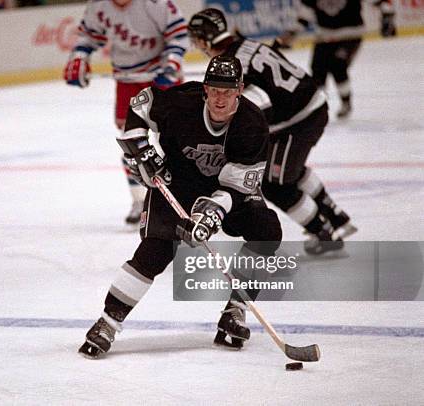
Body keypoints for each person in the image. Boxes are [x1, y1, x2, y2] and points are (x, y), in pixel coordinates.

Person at [78, 56, 283, 359]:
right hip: (176, 182)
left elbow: (238, 187)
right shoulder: (180, 104)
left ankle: (236, 309)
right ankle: (107, 323)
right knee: (155, 251)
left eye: (228, 91)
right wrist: (141, 151)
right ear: (205, 89)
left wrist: (210, 215)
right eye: (214, 89)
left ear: (240, 89)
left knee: (267, 231)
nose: (220, 98)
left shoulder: (252, 125)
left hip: (225, 191)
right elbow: (139, 105)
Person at [187, 8, 357, 255]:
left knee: (272, 182)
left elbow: (260, 104)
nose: (195, 44)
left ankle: (323, 232)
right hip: (309, 106)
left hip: (299, 118)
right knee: (288, 169)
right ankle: (336, 216)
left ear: (204, 40)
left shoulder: (232, 63)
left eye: (195, 38)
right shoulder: (244, 43)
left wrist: (238, 134)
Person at [63, 0, 189, 225]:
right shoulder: (99, 6)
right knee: (131, 142)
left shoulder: (155, 4)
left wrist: (172, 63)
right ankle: (140, 201)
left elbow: (179, 34)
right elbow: (88, 36)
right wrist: (79, 57)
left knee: (176, 140)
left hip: (161, 77)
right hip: (127, 81)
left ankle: (188, 193)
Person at [278, 0, 396, 118]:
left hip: (350, 35)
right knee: (318, 69)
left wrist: (388, 16)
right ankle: (319, 106)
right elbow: (305, 16)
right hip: (325, 36)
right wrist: (292, 33)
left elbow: (381, 2)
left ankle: (346, 102)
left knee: (338, 65)